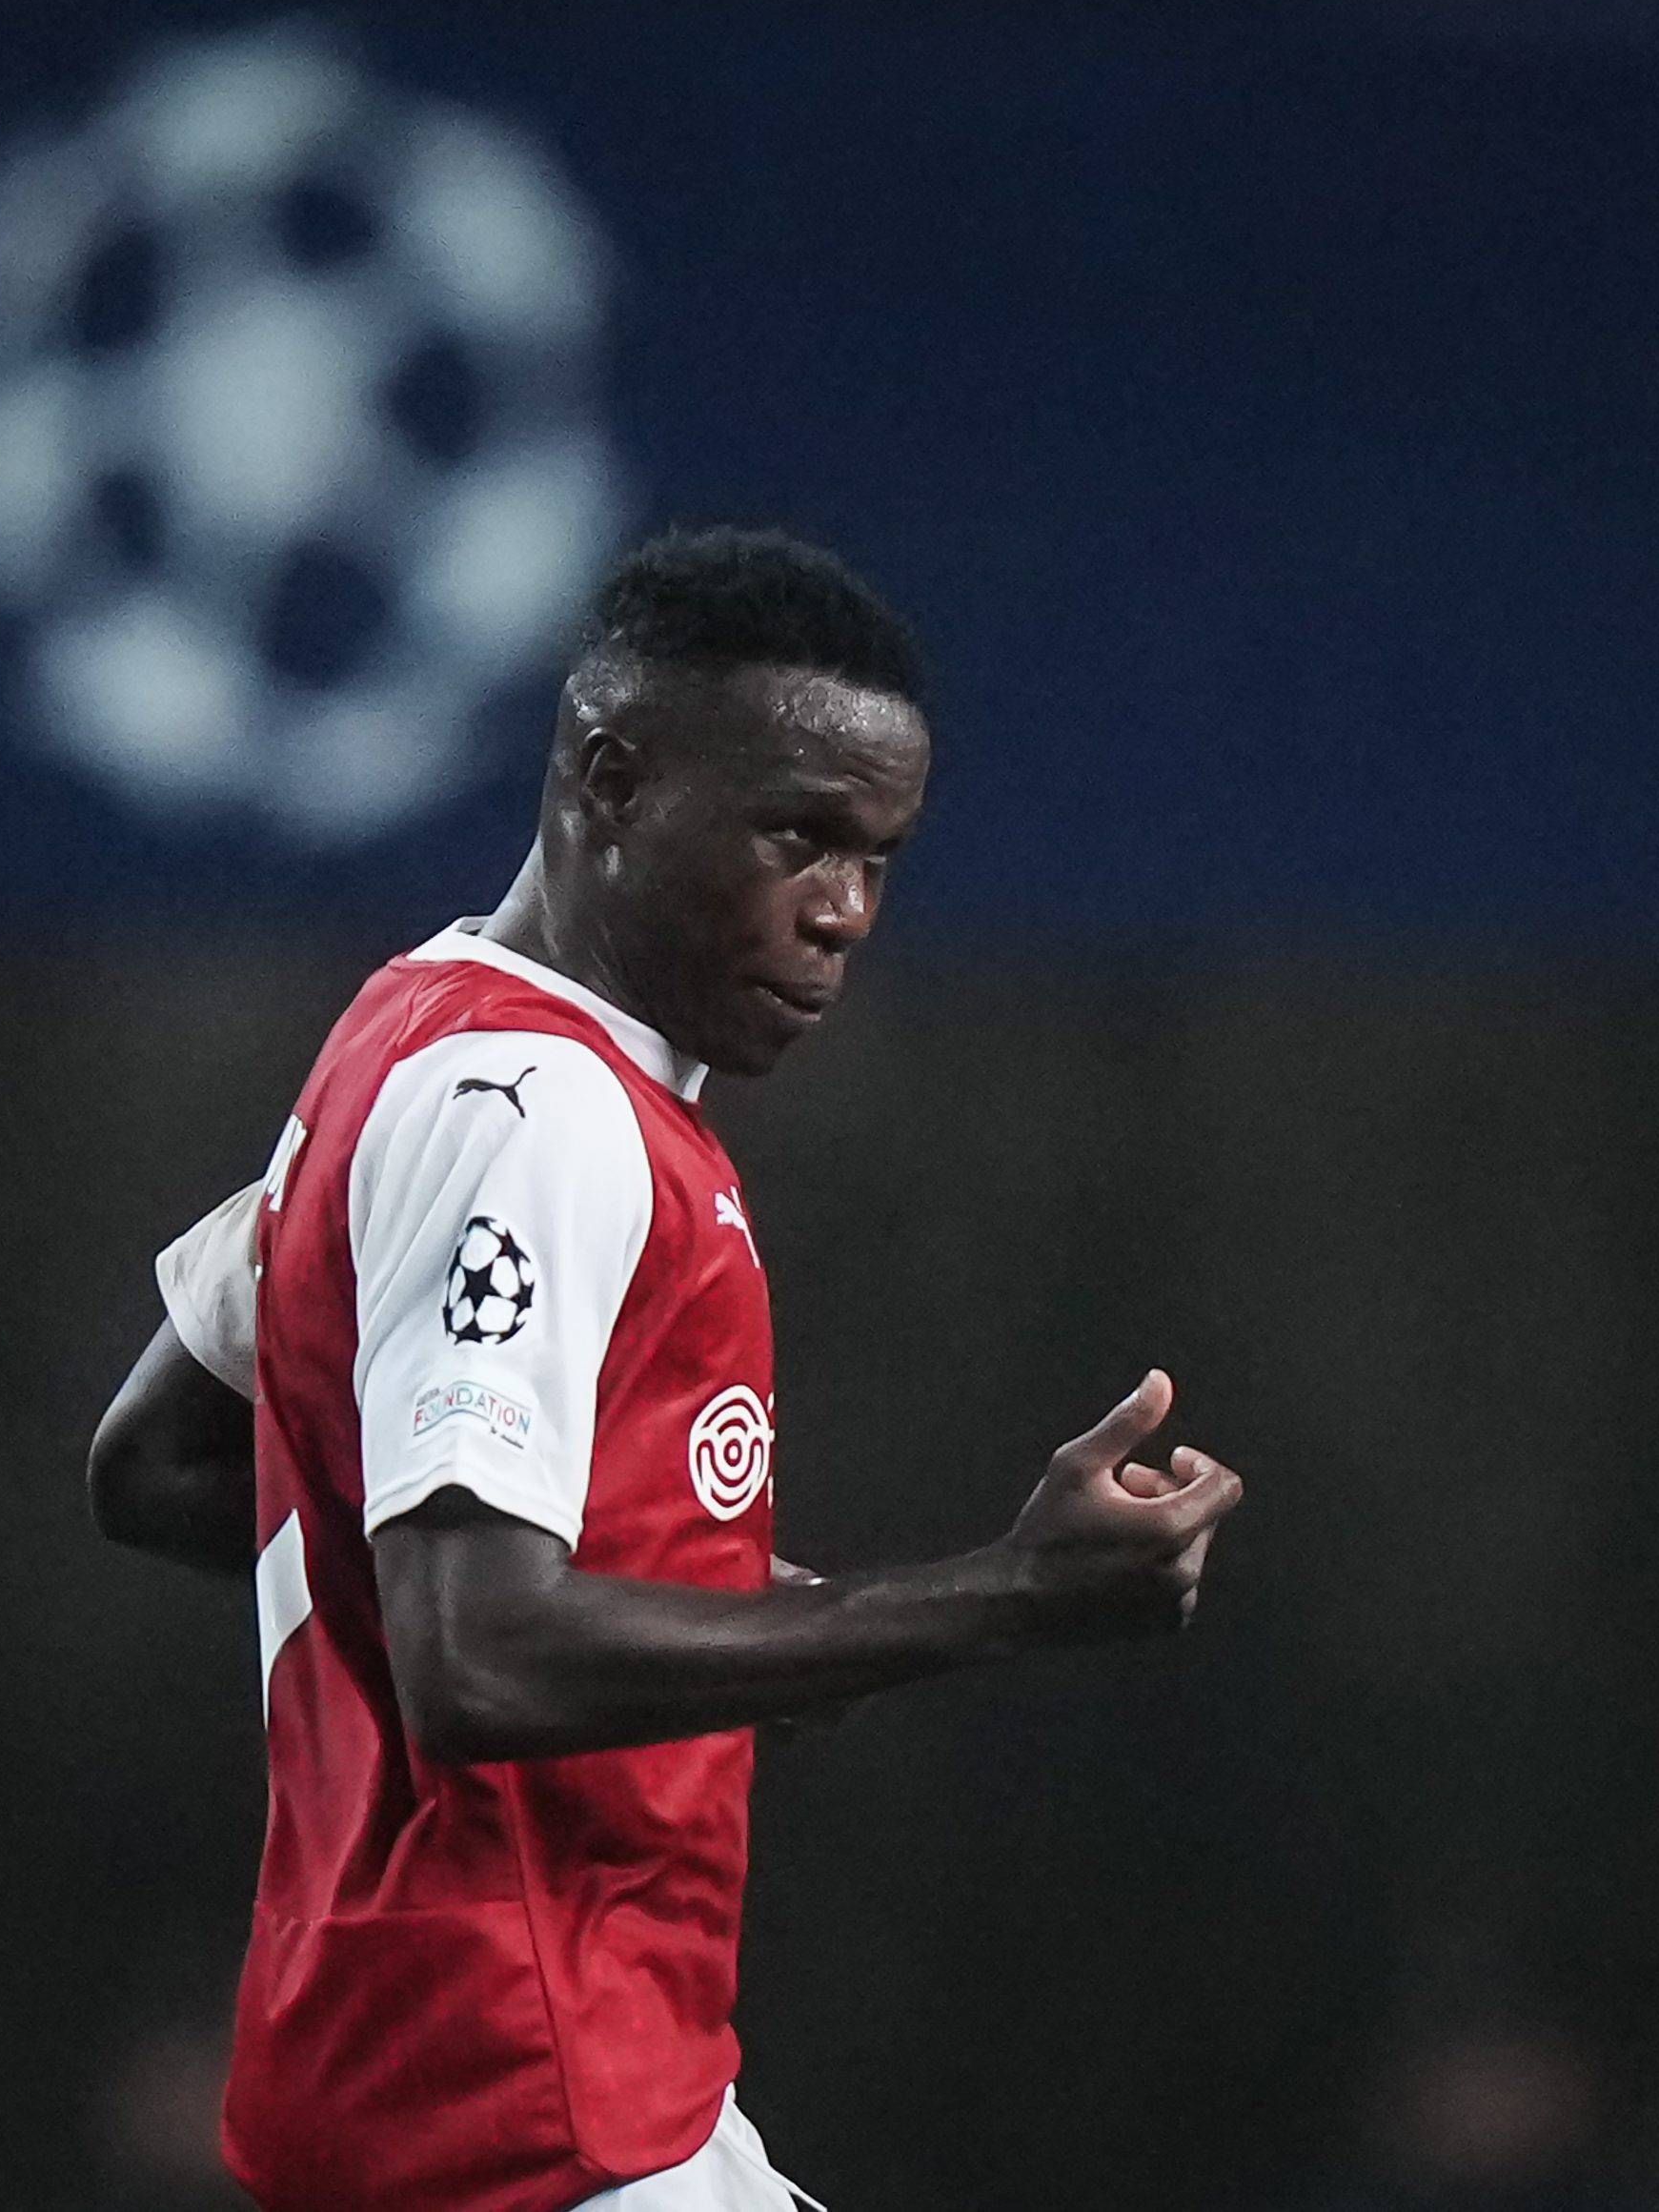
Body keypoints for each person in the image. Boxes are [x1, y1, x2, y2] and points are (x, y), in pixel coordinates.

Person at [87, 527, 1247, 2212]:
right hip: (528, 2109)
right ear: (611, 780)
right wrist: (1009, 1593)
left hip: (454, 2086)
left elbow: (161, 1459)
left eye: (879, 855)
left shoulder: (402, 1032)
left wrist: (700, 1598)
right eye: (798, 832)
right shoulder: (544, 1121)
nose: (844, 910)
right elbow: (476, 1656)